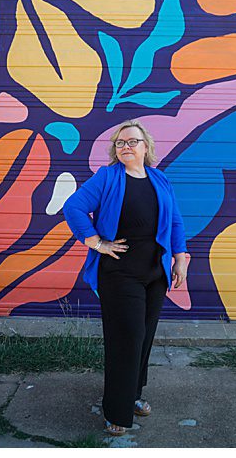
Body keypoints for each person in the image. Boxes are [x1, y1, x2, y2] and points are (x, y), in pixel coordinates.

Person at [61, 120, 189, 436]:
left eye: (132, 141)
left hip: (154, 273)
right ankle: (115, 410)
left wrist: (180, 259)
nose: (125, 147)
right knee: (126, 338)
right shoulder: (107, 177)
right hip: (119, 274)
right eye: (120, 143)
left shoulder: (160, 180)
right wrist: (95, 241)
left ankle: (132, 394)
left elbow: (174, 223)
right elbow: (73, 207)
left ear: (146, 147)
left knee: (143, 337)